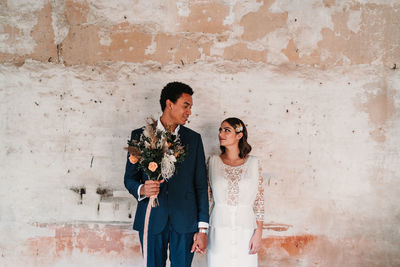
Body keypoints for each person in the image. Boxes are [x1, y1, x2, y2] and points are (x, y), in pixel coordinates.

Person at [124, 82, 209, 267]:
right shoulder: (139, 136)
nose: (189, 112)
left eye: (190, 107)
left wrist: (203, 228)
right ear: (169, 104)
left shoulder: (194, 139)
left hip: (186, 221)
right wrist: (142, 189)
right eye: (185, 105)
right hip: (152, 218)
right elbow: (129, 178)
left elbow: (201, 185)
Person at [207, 117, 264, 267]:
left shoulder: (254, 163)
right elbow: (206, 199)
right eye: (220, 130)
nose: (221, 133)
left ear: (239, 135)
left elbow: (259, 200)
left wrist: (258, 233)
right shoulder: (212, 162)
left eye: (227, 130)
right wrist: (201, 231)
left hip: (246, 231)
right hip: (218, 230)